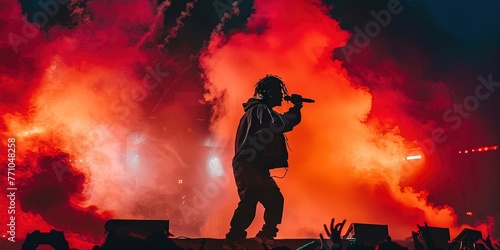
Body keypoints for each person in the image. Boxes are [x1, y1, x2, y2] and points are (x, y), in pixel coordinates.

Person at [223, 74, 304, 250]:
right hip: (250, 166)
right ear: (266, 92)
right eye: (277, 91)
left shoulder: (257, 110)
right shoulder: (260, 110)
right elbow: (280, 124)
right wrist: (296, 108)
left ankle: (250, 238)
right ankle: (238, 240)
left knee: (266, 200)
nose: (281, 95)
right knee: (256, 201)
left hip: (252, 165)